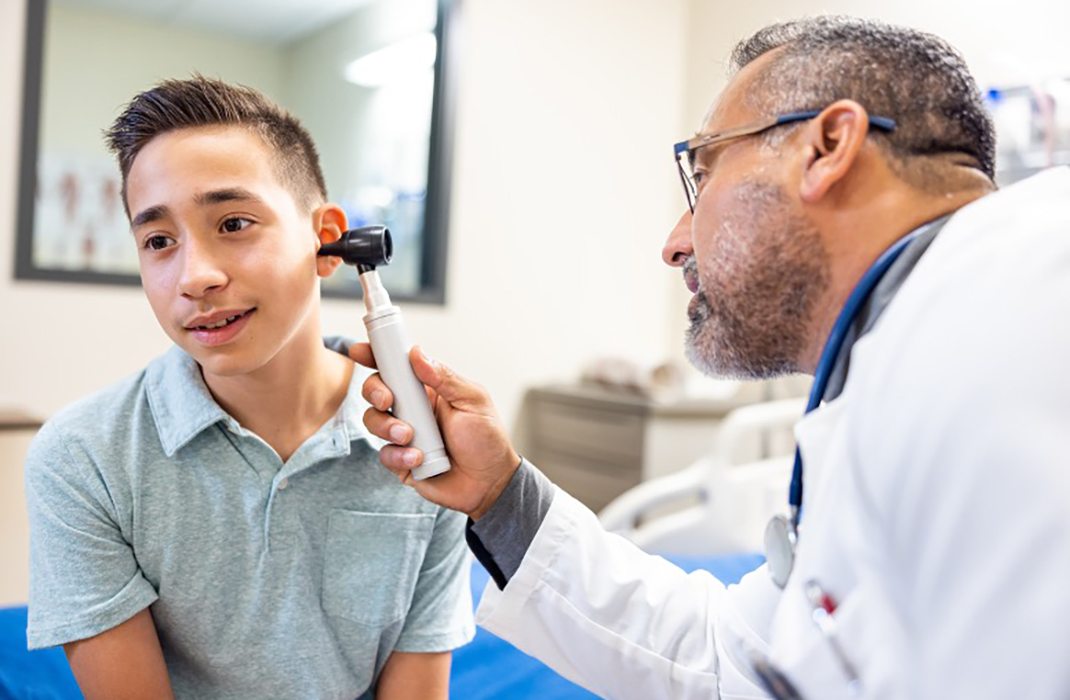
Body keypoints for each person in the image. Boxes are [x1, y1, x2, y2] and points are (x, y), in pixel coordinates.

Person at [353, 16, 1070, 700]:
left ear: (826, 149)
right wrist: (500, 495)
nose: (673, 242)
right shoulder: (906, 350)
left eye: (700, 175)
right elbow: (738, 664)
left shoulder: (1020, 304)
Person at [24, 77, 474, 700]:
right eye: (158, 242)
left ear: (326, 240)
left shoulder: (420, 445)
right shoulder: (82, 457)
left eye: (233, 223)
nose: (195, 277)